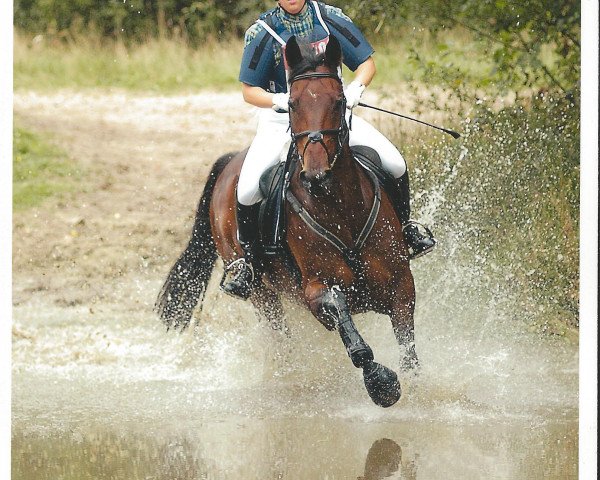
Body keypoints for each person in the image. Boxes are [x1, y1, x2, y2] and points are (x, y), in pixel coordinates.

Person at [222, 0, 435, 299]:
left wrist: (355, 89)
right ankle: (247, 263)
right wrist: (279, 101)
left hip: (331, 116)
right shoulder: (262, 31)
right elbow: (248, 91)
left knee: (395, 162)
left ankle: (407, 228)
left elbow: (366, 63)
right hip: (281, 120)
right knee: (246, 190)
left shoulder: (331, 18)